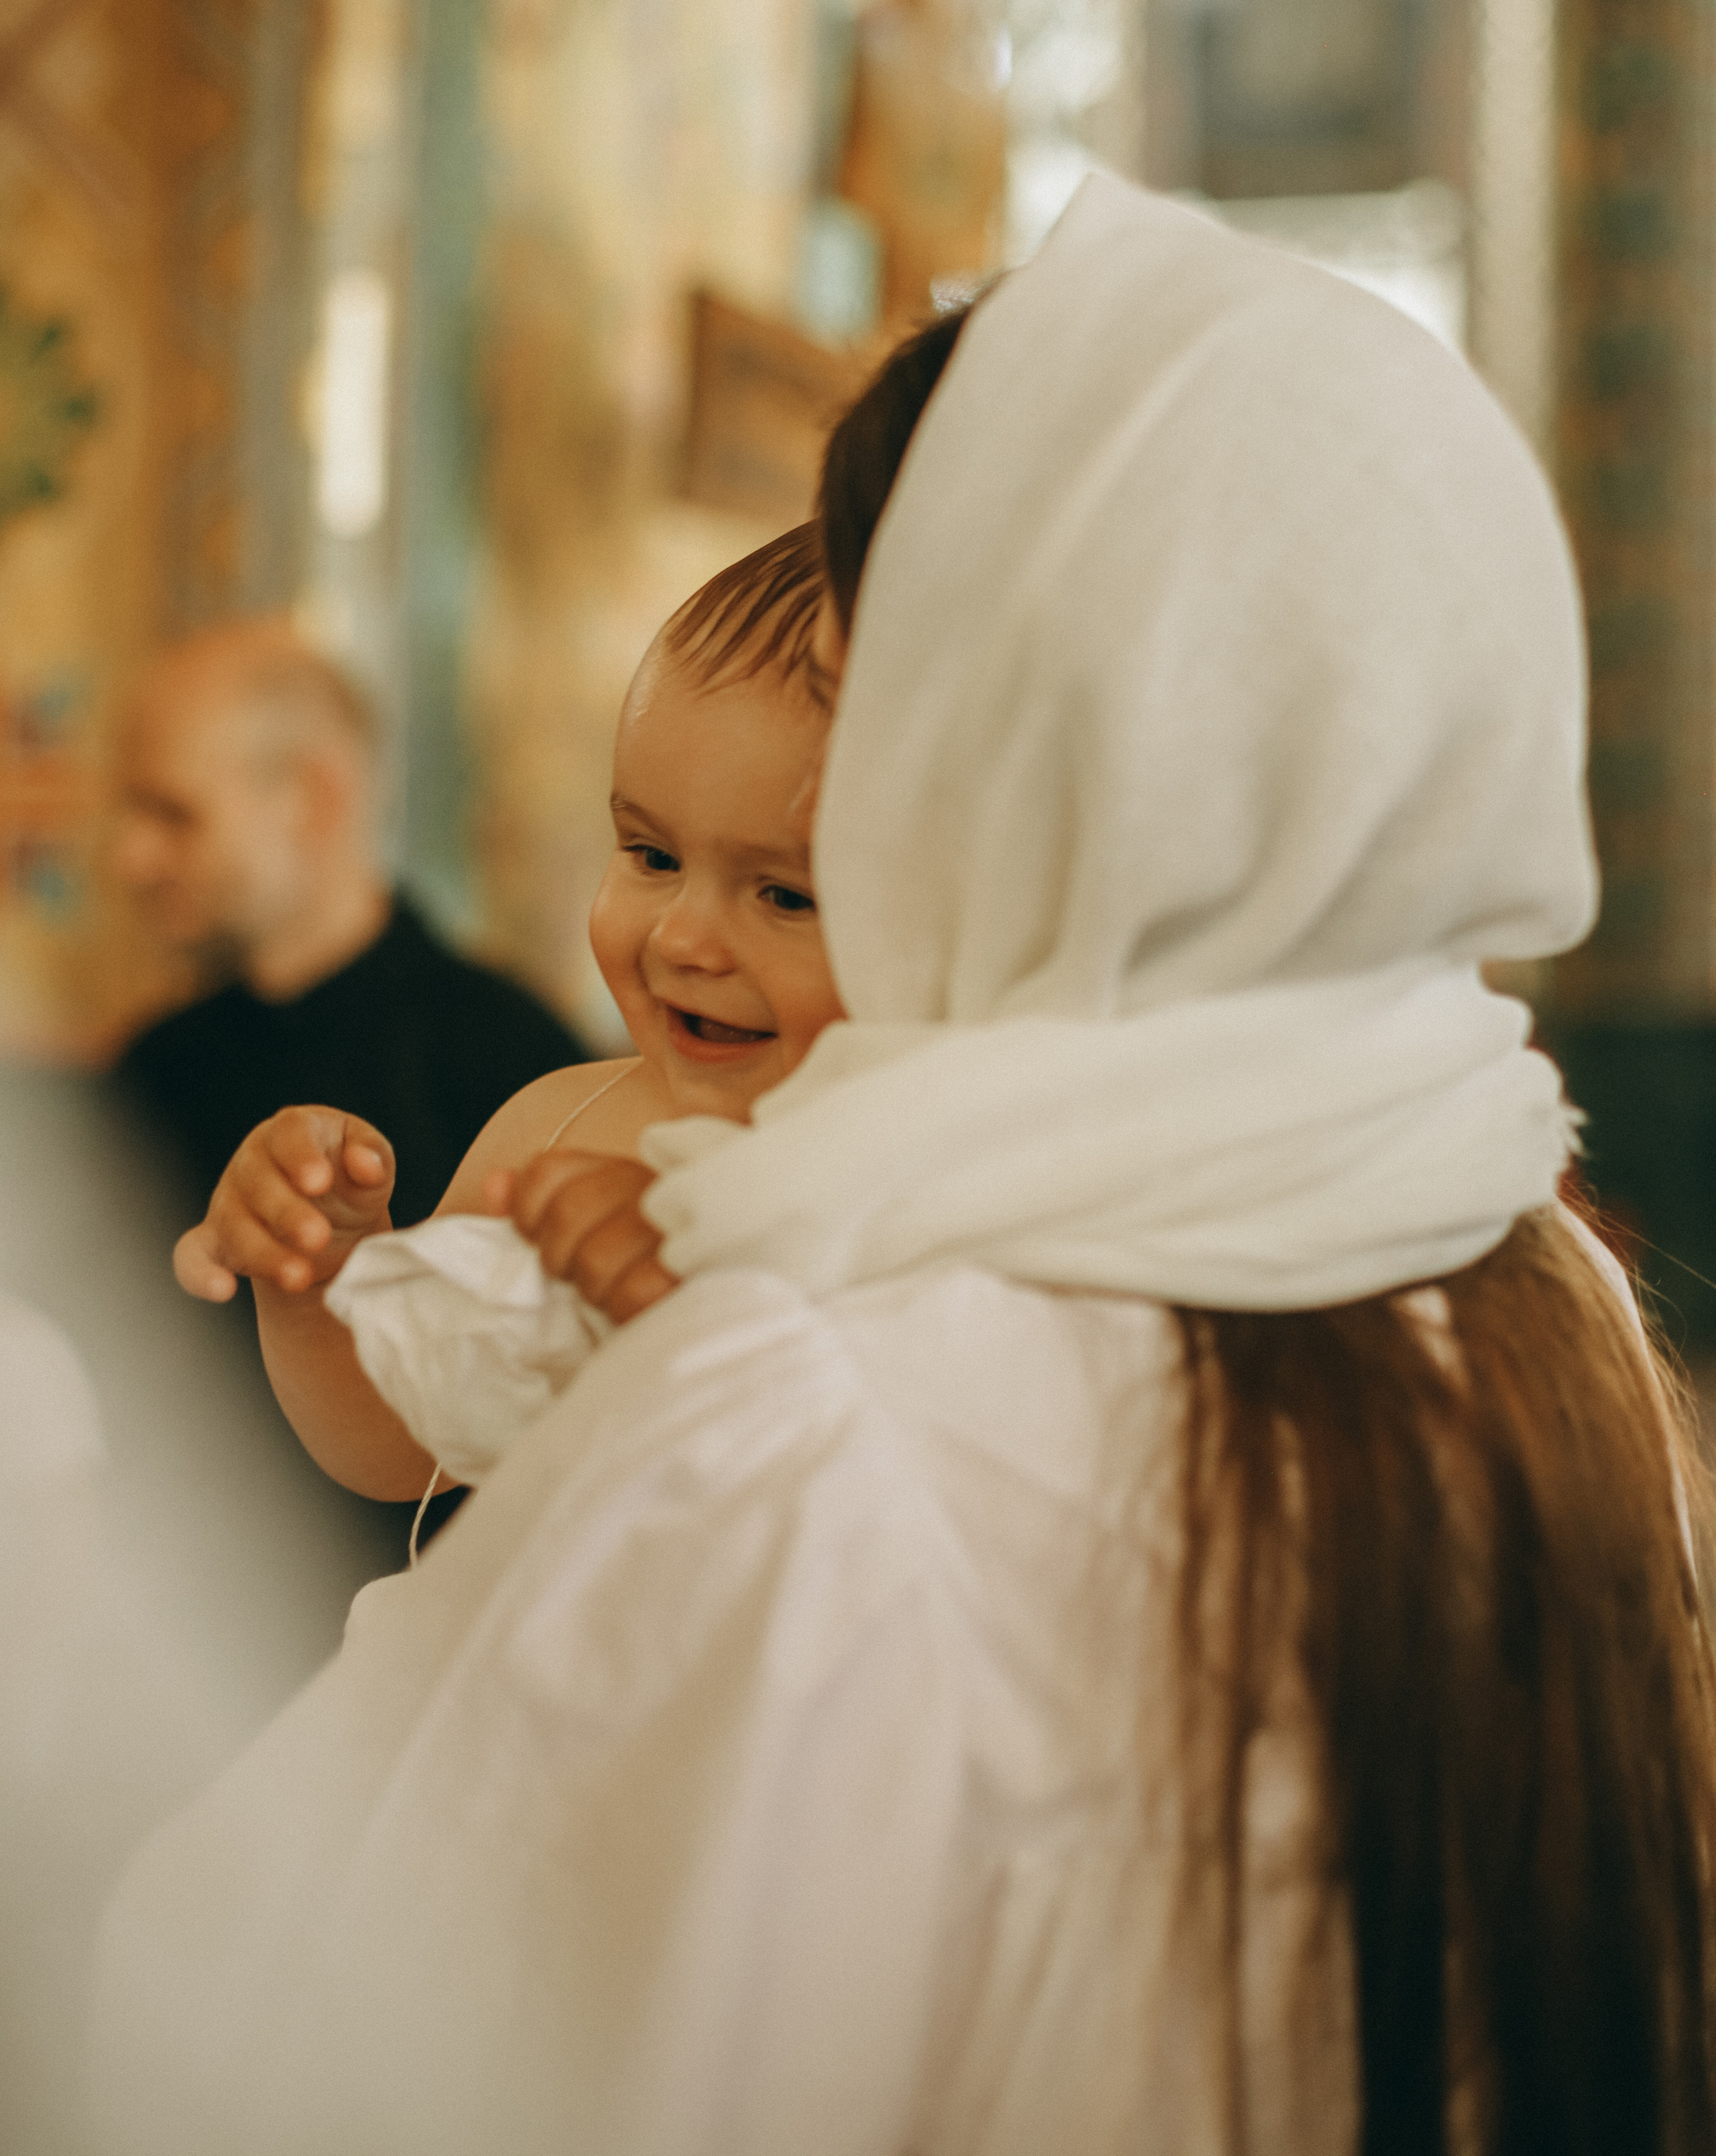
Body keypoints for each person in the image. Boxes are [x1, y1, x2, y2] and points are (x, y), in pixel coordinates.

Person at [89, 180, 1716, 2155]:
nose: (702, 920)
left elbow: (332, 2048)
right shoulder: (1538, 1289)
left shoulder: (818, 1411)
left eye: (898, 697)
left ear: (1041, 762)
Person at [170, 530, 841, 1507]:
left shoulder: (936, 1167)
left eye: (783, 895)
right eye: (651, 856)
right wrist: (317, 1281)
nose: (681, 941)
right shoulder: (561, 1126)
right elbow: (398, 1438)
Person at [111, 619, 591, 1230]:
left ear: (316, 798)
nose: (129, 857)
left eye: (174, 814)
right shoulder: (153, 1069)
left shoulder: (511, 1064)